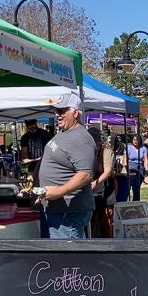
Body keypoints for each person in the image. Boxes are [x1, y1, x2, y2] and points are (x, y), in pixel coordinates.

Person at [36, 93, 96, 238]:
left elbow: (85, 174)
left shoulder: (81, 137)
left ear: (75, 112)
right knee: (62, 258)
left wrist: (58, 192)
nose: (58, 115)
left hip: (69, 212)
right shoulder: (65, 133)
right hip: (59, 210)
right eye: (56, 111)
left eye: (62, 111)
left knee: (69, 259)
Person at [89, 126, 115, 238]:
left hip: (106, 188)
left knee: (106, 218)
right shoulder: (90, 151)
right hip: (93, 190)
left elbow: (108, 171)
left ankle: (108, 241)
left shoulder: (107, 151)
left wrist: (96, 182)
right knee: (93, 218)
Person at [125, 135, 148, 201]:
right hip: (130, 168)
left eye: (137, 140)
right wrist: (125, 167)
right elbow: (125, 159)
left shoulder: (143, 148)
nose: (135, 141)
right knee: (128, 186)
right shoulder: (128, 147)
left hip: (140, 168)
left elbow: (145, 159)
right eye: (134, 140)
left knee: (136, 186)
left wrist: (146, 169)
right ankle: (126, 201)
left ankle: (136, 201)